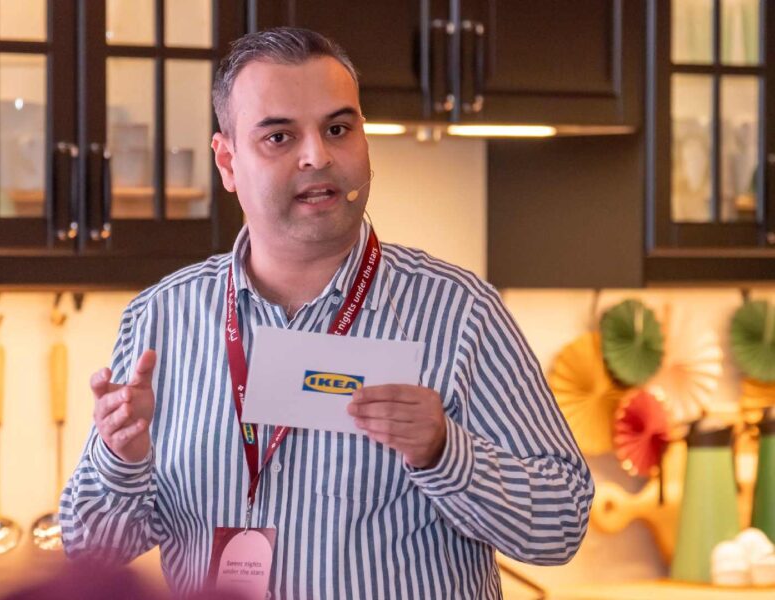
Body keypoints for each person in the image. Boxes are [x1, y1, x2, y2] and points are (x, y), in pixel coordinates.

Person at [60, 27, 593, 599]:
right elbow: (91, 552)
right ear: (228, 161)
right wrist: (124, 457)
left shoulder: (462, 314)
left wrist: (445, 451)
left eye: (338, 129)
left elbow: (561, 527)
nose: (317, 155)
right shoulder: (161, 318)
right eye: (279, 137)